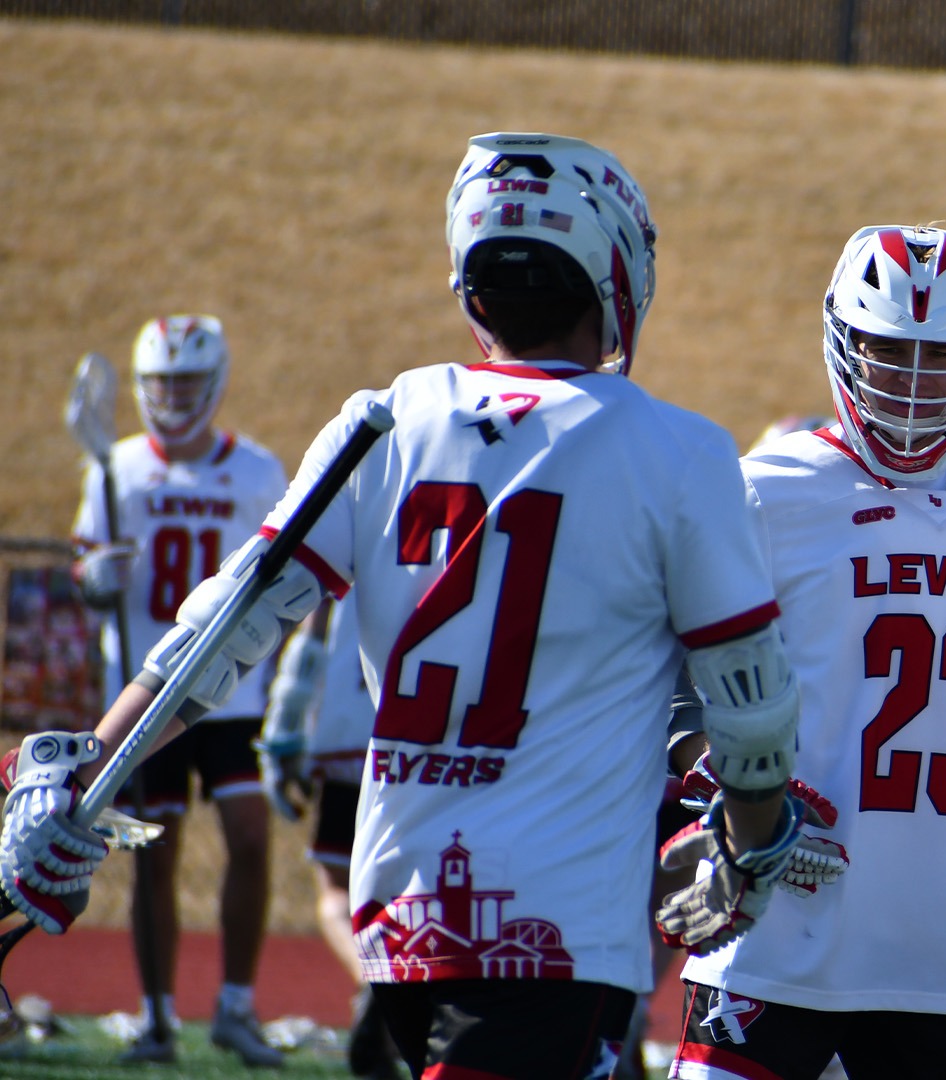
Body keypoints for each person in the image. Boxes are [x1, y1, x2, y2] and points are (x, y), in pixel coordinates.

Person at [2, 132, 803, 1080]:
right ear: (613, 271)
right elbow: (751, 709)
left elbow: (226, 631)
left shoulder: (385, 419)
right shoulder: (680, 453)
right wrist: (755, 845)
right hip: (559, 927)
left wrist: (87, 759)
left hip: (399, 913)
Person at [670, 224, 946, 1080]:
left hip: (935, 955)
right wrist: (744, 788)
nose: (910, 382)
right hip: (775, 931)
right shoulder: (766, 488)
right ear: (841, 341)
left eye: (941, 356)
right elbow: (678, 683)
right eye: (888, 350)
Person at [68, 314, 289, 1066]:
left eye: (188, 381)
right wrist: (93, 580)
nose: (174, 395)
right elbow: (83, 559)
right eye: (162, 382)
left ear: (217, 380)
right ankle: (158, 1016)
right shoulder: (117, 467)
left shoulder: (257, 468)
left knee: (252, 840)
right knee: (154, 856)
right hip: (146, 689)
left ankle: (236, 1006)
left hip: (233, 693)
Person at [257, 596, 405, 1077]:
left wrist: (283, 728)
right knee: (416, 884)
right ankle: (398, 988)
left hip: (351, 722)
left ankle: (375, 981)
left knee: (335, 889)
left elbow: (314, 625)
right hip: (426, 730)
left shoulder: (357, 520)